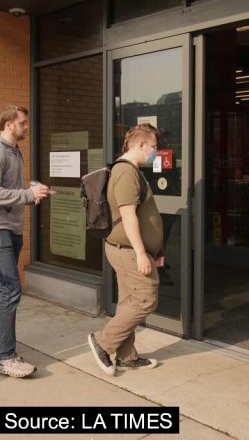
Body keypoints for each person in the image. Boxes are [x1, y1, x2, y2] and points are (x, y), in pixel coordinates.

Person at [0, 104, 50, 378]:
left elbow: (9, 188)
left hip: (10, 228)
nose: (26, 127)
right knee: (11, 289)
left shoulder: (13, 151)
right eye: (22, 123)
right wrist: (28, 196)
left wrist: (29, 189)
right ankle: (6, 358)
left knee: (1, 289)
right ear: (9, 123)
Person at [87, 123, 162, 376]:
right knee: (146, 298)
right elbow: (128, 215)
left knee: (129, 301)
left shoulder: (127, 170)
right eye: (153, 147)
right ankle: (102, 341)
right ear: (140, 145)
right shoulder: (127, 172)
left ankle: (127, 357)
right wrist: (142, 253)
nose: (155, 152)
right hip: (128, 250)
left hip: (125, 248)